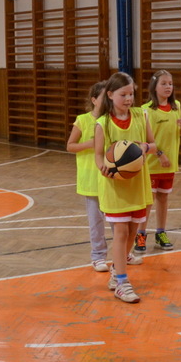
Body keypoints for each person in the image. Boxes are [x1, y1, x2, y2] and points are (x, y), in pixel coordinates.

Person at [94, 72, 157, 303]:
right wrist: (103, 167)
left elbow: (153, 144)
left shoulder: (141, 115)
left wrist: (145, 147)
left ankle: (115, 271)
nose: (129, 98)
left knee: (132, 231)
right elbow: (98, 155)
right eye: (124, 94)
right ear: (110, 95)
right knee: (120, 232)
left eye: (131, 94)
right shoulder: (103, 123)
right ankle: (122, 282)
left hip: (138, 183)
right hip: (115, 185)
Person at [134, 70, 181, 252]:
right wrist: (159, 154)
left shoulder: (176, 106)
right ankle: (141, 234)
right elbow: (144, 140)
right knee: (148, 200)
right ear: (154, 87)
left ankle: (161, 232)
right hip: (151, 164)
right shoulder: (146, 110)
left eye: (170, 84)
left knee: (163, 198)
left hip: (169, 164)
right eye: (163, 83)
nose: (168, 87)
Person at [66, 81, 110, 272]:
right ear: (94, 100)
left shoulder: (111, 119)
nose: (108, 100)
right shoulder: (82, 120)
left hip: (110, 177)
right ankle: (98, 256)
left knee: (118, 220)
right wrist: (91, 143)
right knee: (96, 222)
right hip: (91, 178)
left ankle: (124, 253)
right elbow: (70, 146)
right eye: (104, 96)